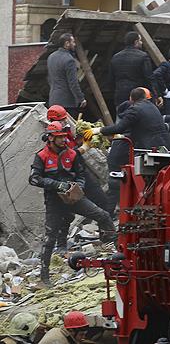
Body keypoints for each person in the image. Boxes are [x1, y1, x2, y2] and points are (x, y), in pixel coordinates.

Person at [31, 122, 115, 286]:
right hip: (54, 202)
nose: (63, 140)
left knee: (103, 215)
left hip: (74, 198)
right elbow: (34, 179)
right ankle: (44, 277)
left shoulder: (72, 154)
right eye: (59, 137)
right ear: (50, 138)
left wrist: (79, 187)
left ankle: (113, 247)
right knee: (49, 238)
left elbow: (81, 175)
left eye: (64, 136)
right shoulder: (41, 156)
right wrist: (56, 185)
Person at [84, 87, 170, 150]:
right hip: (165, 144)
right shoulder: (153, 107)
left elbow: (119, 128)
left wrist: (97, 130)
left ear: (131, 98)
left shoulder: (135, 109)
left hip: (148, 146)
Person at [108, 32, 155, 110]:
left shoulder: (115, 57)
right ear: (136, 42)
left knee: (121, 119)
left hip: (120, 95)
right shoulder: (143, 56)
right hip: (138, 96)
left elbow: (111, 80)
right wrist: (154, 94)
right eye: (140, 40)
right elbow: (149, 78)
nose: (141, 42)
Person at [47, 33, 86, 119]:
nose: (74, 44)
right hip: (67, 103)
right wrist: (81, 98)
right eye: (73, 42)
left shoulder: (51, 57)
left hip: (53, 100)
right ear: (67, 43)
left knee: (56, 130)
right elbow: (73, 83)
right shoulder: (69, 60)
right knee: (68, 130)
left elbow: (49, 79)